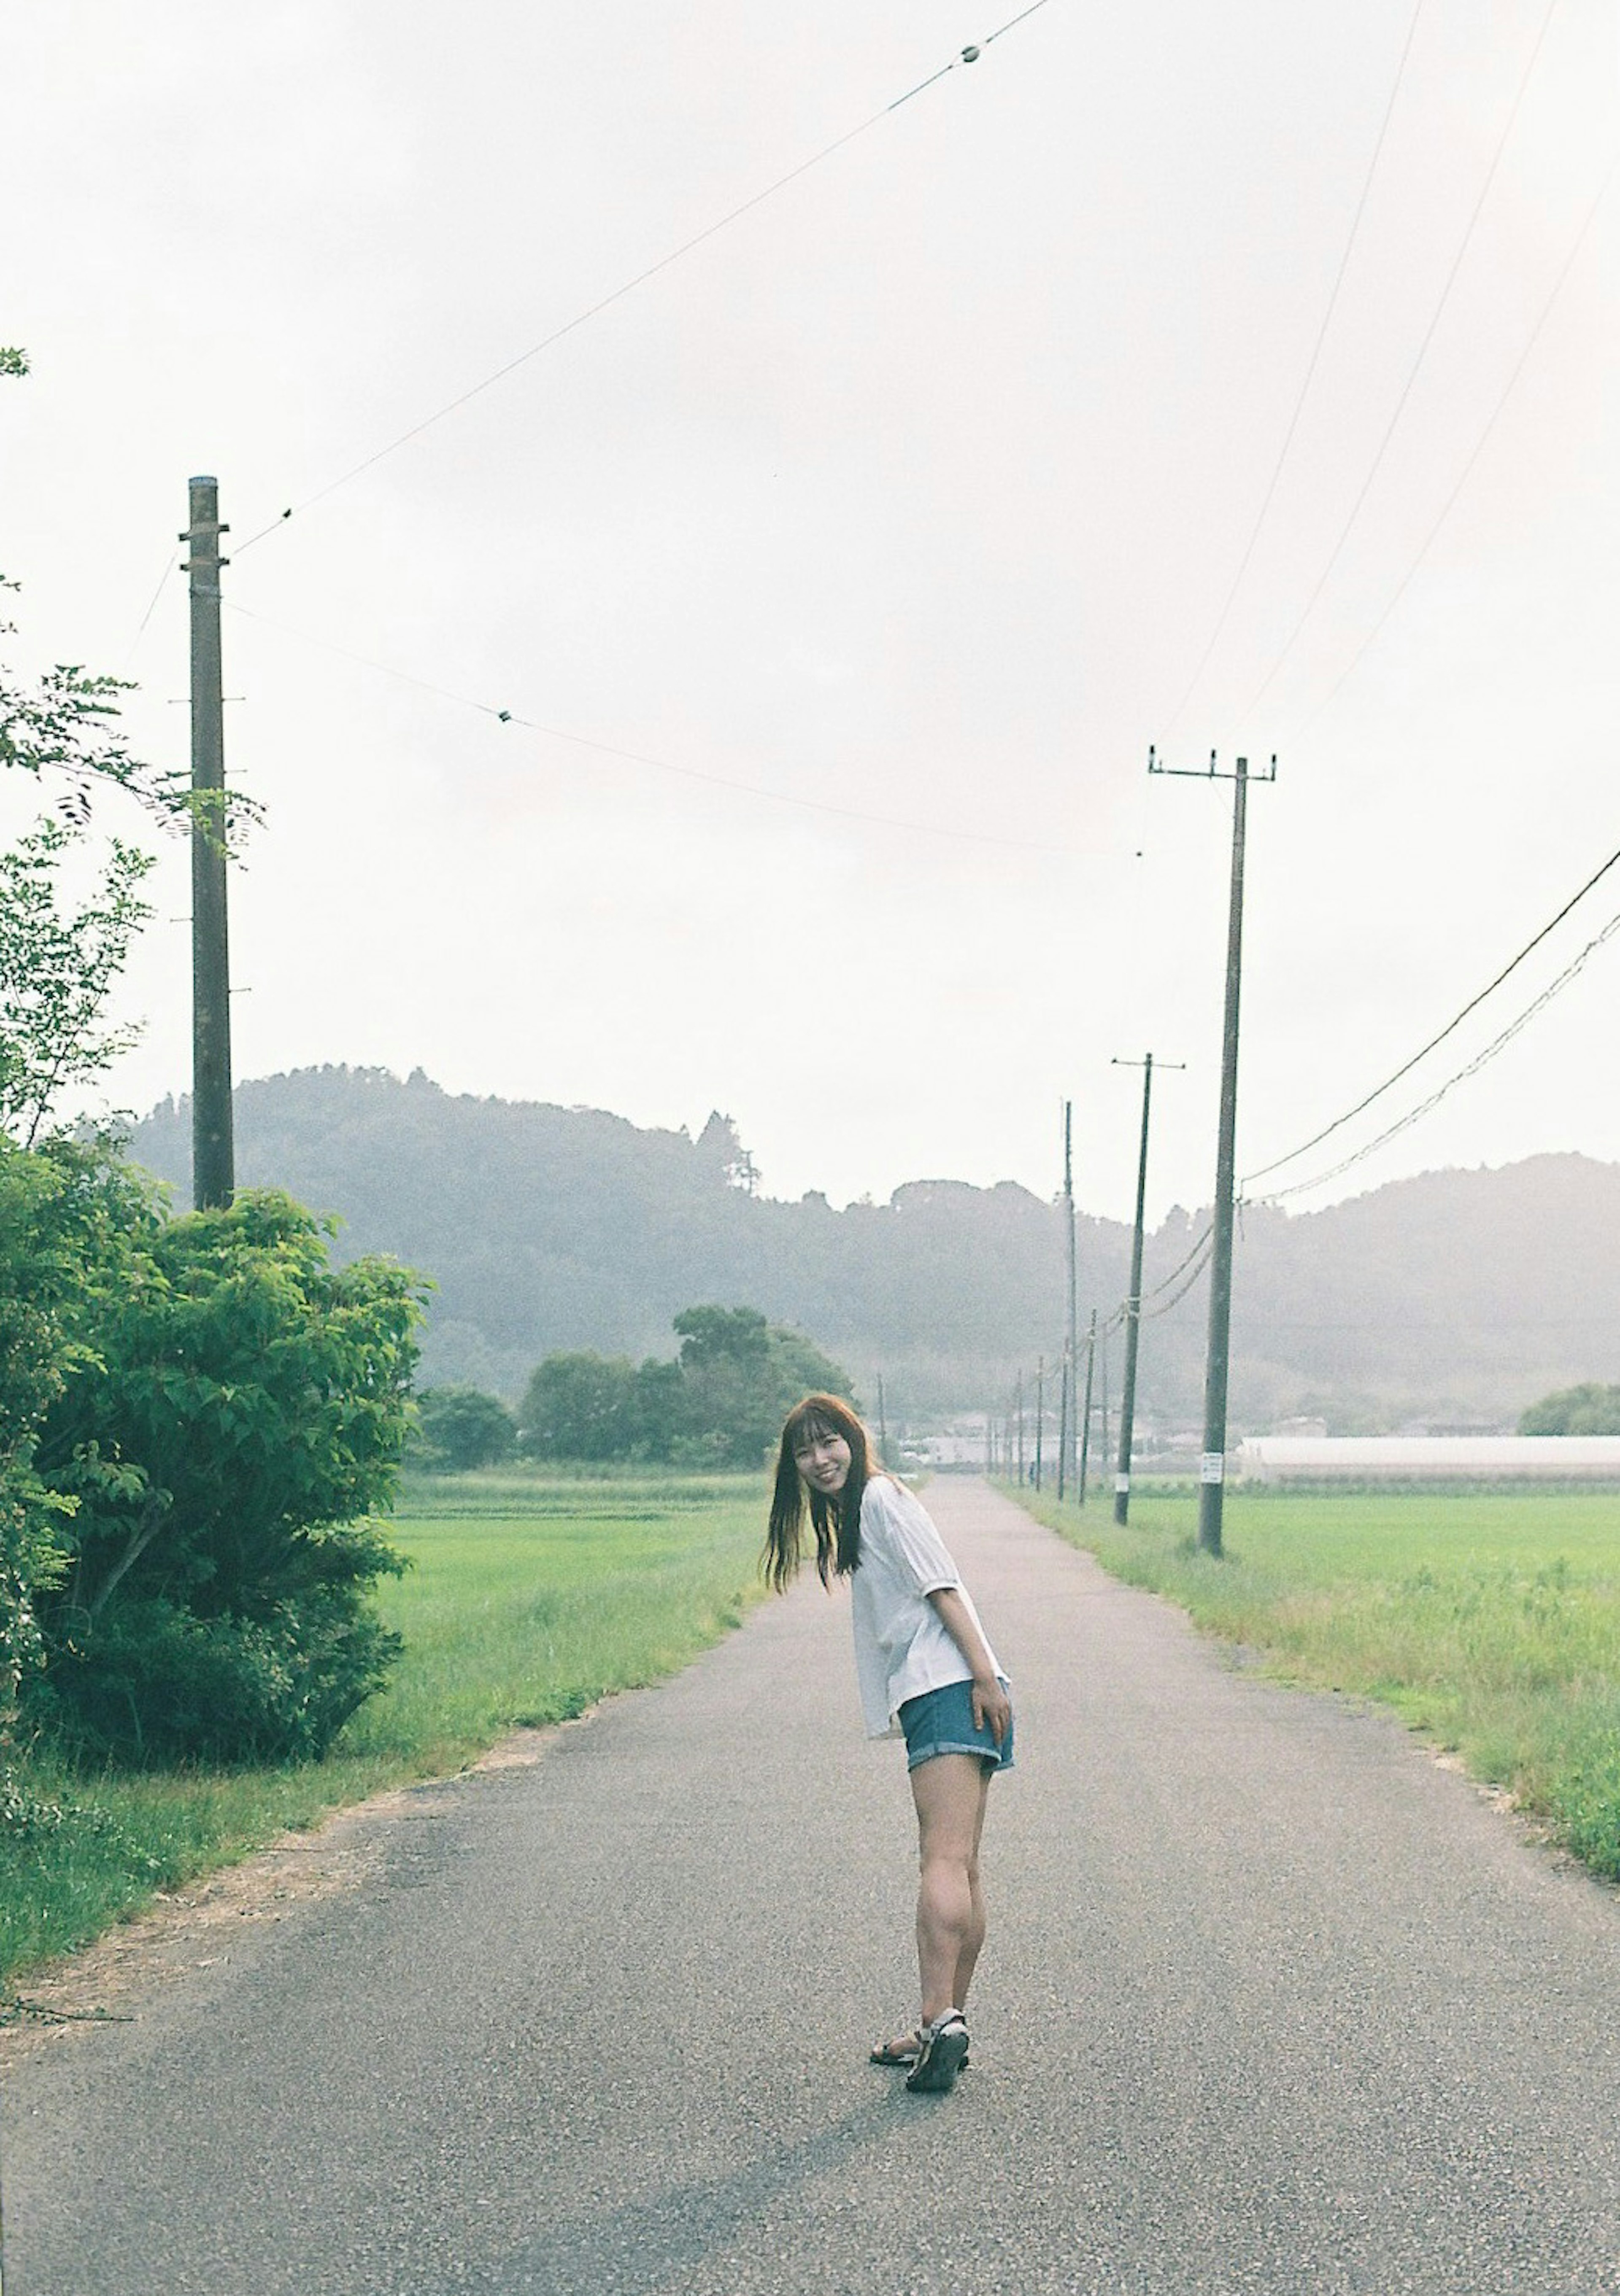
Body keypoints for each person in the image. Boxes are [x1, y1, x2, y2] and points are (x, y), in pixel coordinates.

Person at [765, 1392, 1013, 2095]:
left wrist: (985, 1678)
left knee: (942, 1859)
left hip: (952, 1688)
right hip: (959, 1689)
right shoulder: (862, 1512)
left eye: (830, 1442)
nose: (820, 1459)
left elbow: (943, 1589)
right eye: (806, 1451)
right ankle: (946, 2022)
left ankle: (939, 2020)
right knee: (962, 1867)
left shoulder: (879, 1499)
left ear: (854, 1439)